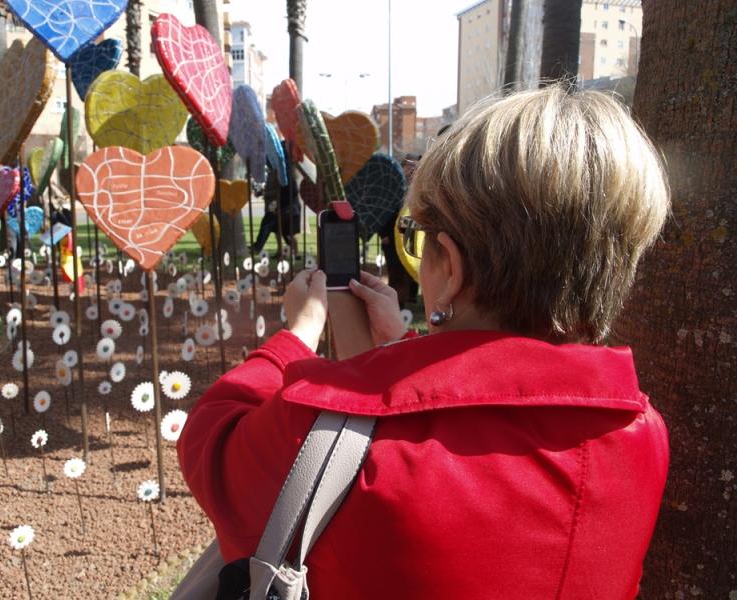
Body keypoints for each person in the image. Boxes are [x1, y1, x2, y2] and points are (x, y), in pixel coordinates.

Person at [178, 86, 670, 599]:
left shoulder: (316, 435)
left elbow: (210, 444)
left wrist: (296, 335)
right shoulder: (643, 434)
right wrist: (403, 352)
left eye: (419, 238)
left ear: (451, 268)